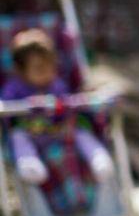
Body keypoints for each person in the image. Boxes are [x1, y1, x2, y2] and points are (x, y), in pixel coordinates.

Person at [2, 29, 114, 186]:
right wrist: (28, 105)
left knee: (80, 131)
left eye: (51, 66)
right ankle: (29, 165)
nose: (48, 73)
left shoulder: (57, 84)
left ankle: (98, 158)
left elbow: (67, 102)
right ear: (21, 71)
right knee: (17, 137)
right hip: (31, 132)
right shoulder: (14, 88)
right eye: (40, 68)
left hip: (57, 131)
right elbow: (5, 107)